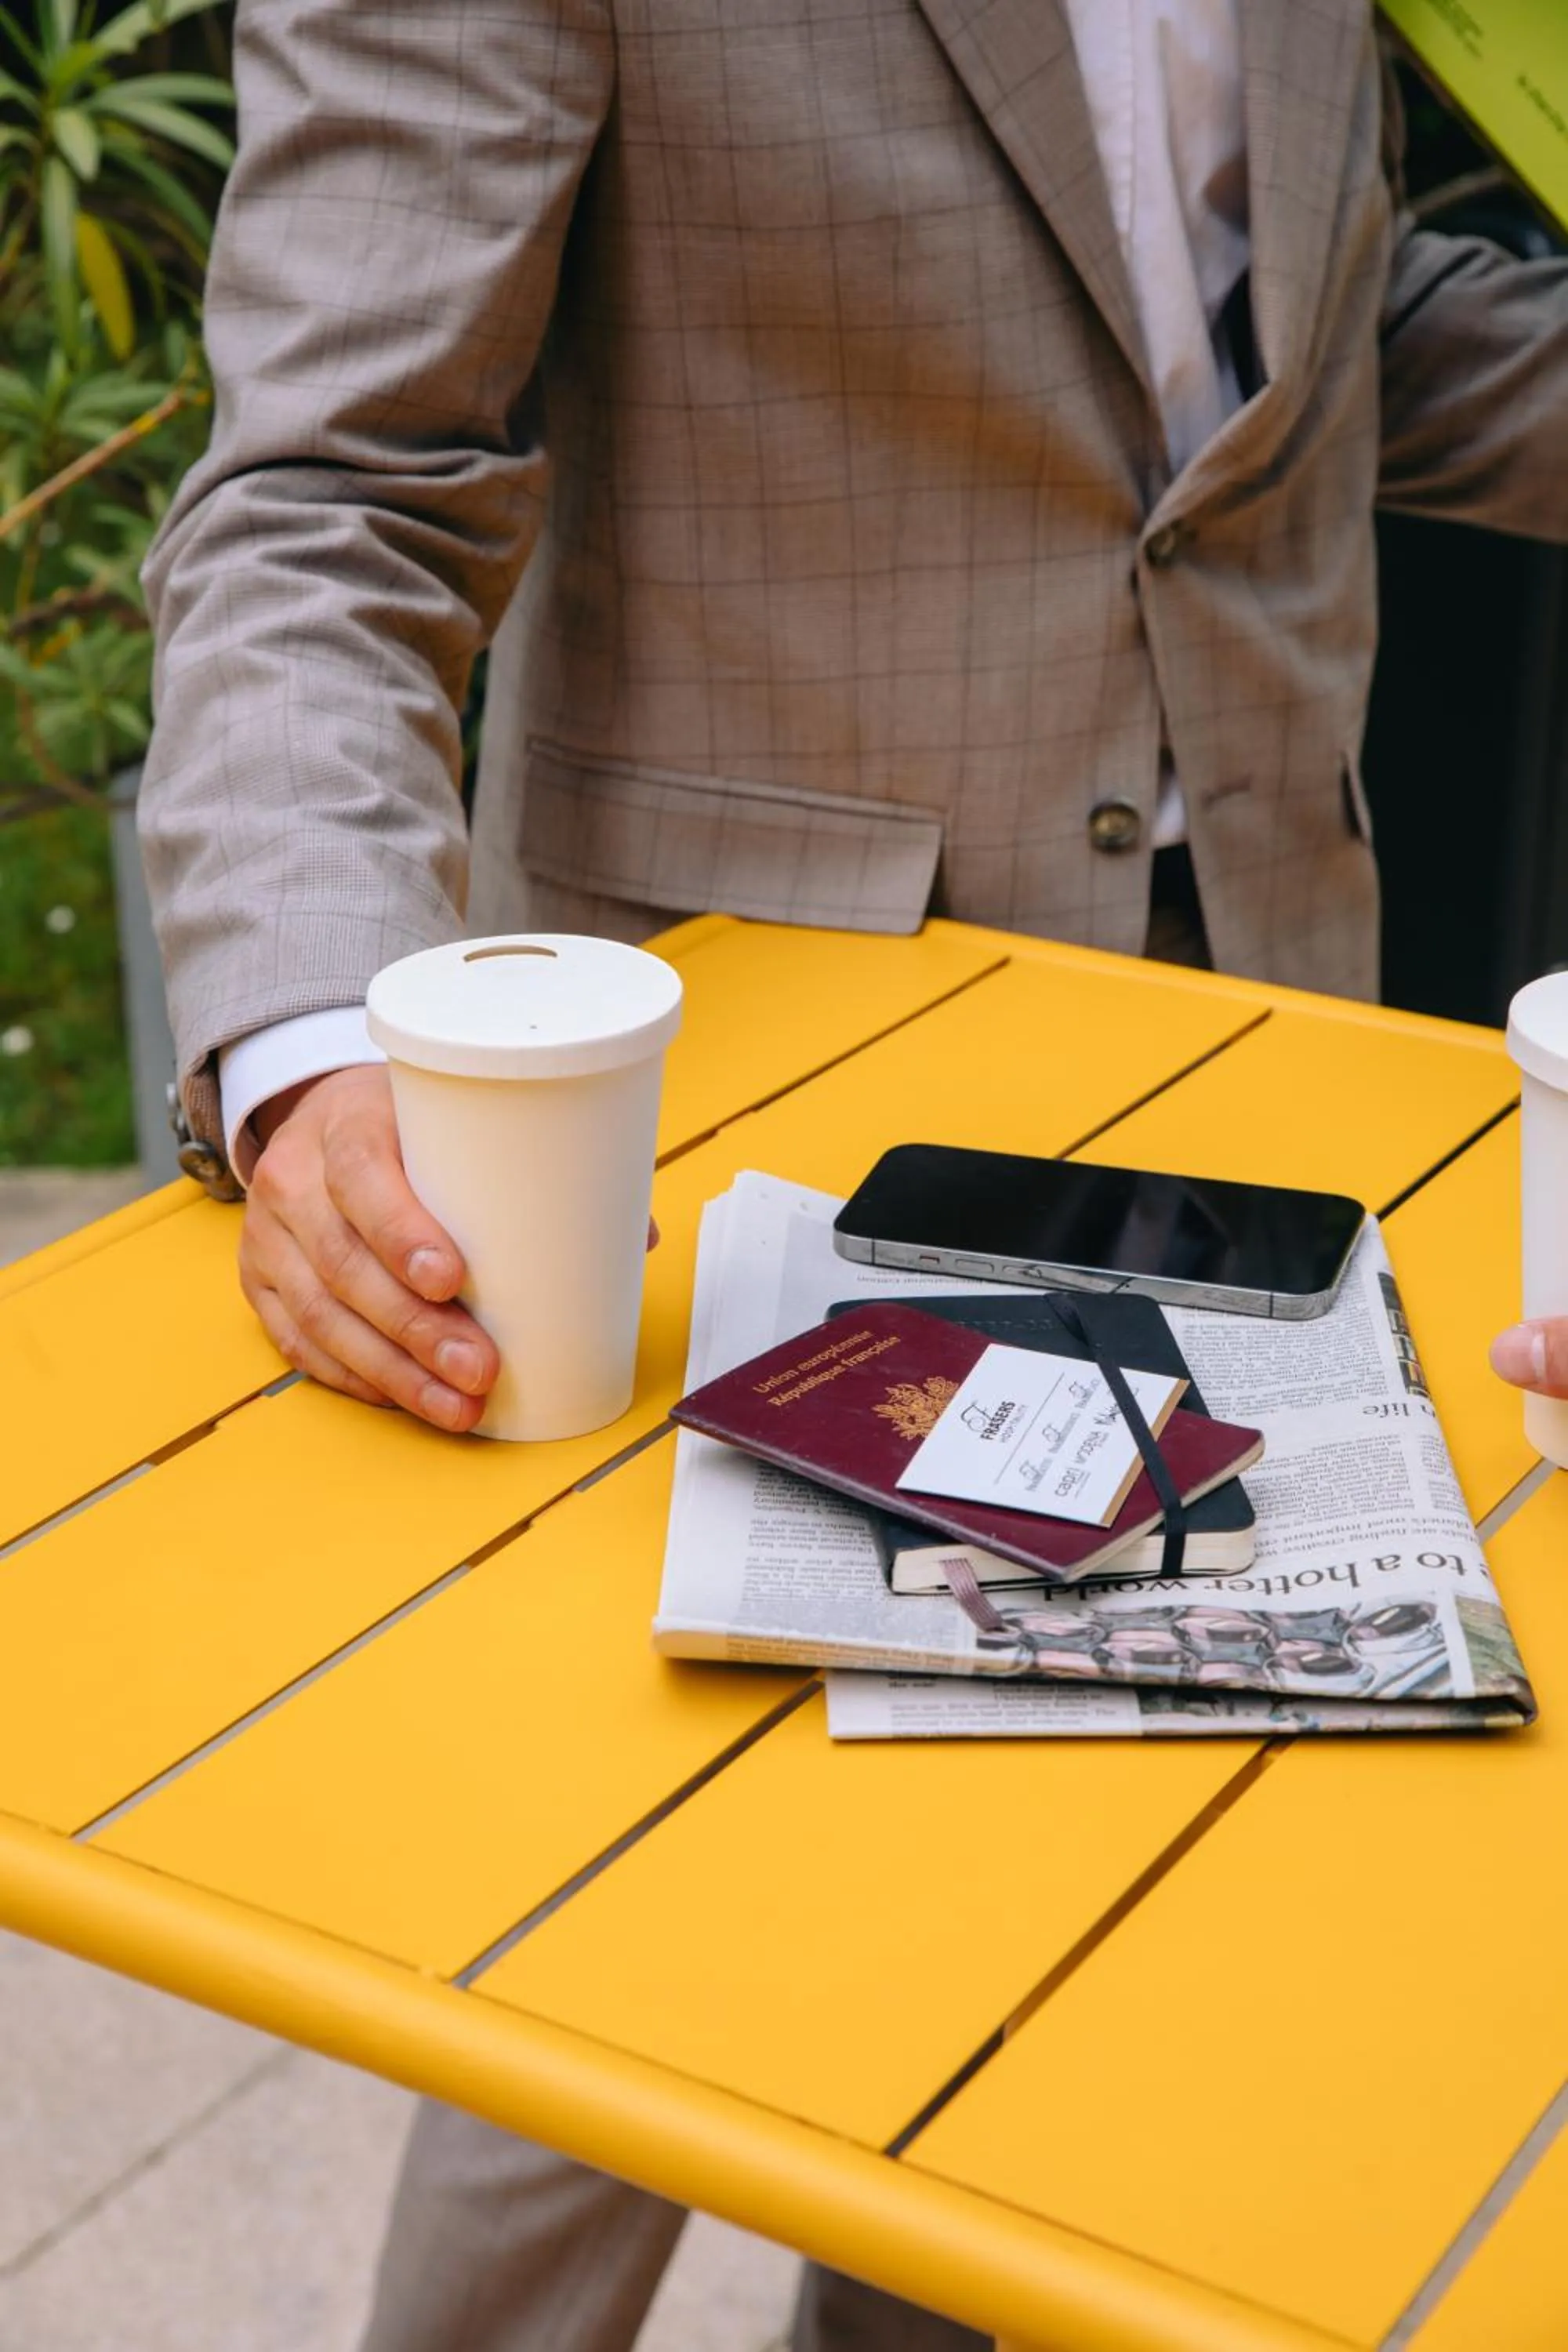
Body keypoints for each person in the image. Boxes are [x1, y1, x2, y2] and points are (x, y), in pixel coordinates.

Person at [136, 2, 1568, 2346]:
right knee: (600, 1996)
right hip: (762, 1124)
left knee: (1043, 1985)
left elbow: (1246, 329)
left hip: (1259, 1053)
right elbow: (334, 490)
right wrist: (308, 1048)